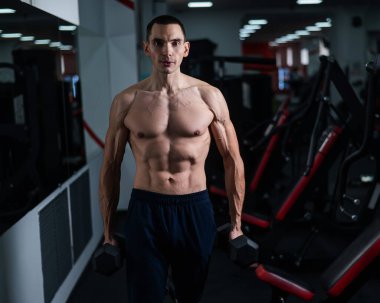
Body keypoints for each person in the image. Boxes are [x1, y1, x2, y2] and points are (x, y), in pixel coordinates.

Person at [99, 15, 245, 303]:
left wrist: (236, 223)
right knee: (144, 297)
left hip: (195, 209)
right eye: (159, 43)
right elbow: (110, 166)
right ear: (147, 48)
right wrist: (108, 232)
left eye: (175, 43)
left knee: (190, 296)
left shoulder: (209, 97)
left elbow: (233, 160)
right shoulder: (126, 101)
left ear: (185, 49)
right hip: (146, 211)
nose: (167, 51)